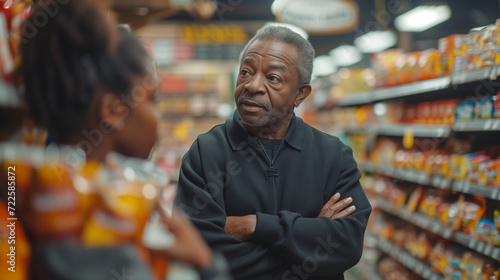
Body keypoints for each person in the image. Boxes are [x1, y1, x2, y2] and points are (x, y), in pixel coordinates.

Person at [17, 0, 230, 279]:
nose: (157, 118)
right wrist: (207, 264)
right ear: (114, 111)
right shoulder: (103, 223)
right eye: (153, 100)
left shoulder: (27, 192)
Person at [175, 25, 372, 280]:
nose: (253, 85)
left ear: (300, 94)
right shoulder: (206, 152)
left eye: (273, 78)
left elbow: (346, 245)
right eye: (246, 72)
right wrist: (307, 245)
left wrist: (253, 226)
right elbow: (198, 250)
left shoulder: (333, 155)